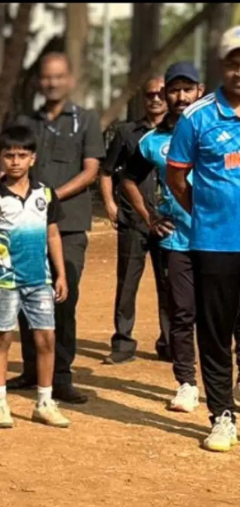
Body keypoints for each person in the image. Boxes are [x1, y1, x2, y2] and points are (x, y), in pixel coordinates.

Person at [12, 53, 105, 404]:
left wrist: (49, 196)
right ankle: (32, 369)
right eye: (46, 77)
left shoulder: (86, 120)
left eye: (58, 77)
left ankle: (61, 375)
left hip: (68, 225)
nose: (51, 83)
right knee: (25, 295)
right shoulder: (25, 121)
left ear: (69, 80)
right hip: (26, 225)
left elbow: (91, 169)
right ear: (39, 81)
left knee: (63, 299)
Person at [166, 28, 240, 452]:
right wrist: (207, 211)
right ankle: (222, 415)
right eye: (233, 62)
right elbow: (177, 176)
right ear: (221, 66)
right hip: (214, 243)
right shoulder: (198, 117)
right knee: (215, 333)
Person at [121, 62, 204, 414]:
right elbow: (127, 177)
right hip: (178, 241)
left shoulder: (217, 128)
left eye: (188, 88)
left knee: (229, 315)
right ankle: (186, 383)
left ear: (200, 91)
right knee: (182, 314)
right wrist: (149, 216)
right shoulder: (153, 141)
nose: (180, 96)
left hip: (225, 239)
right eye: (174, 89)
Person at [0, 125, 70, 429]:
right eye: (9, 155)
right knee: (3, 337)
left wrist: (61, 275)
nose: (15, 161)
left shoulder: (45, 194)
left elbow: (53, 235)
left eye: (21, 155)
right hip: (5, 282)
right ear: (0, 158)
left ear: (33, 158)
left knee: (46, 339)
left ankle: (44, 401)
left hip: (39, 280)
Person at [100, 75, 171, 365]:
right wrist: (109, 204)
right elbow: (106, 171)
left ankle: (170, 343)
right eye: (149, 94)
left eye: (160, 94)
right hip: (133, 221)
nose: (155, 98)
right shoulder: (127, 133)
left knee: (170, 286)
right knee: (127, 281)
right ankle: (123, 343)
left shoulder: (182, 132)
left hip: (169, 222)